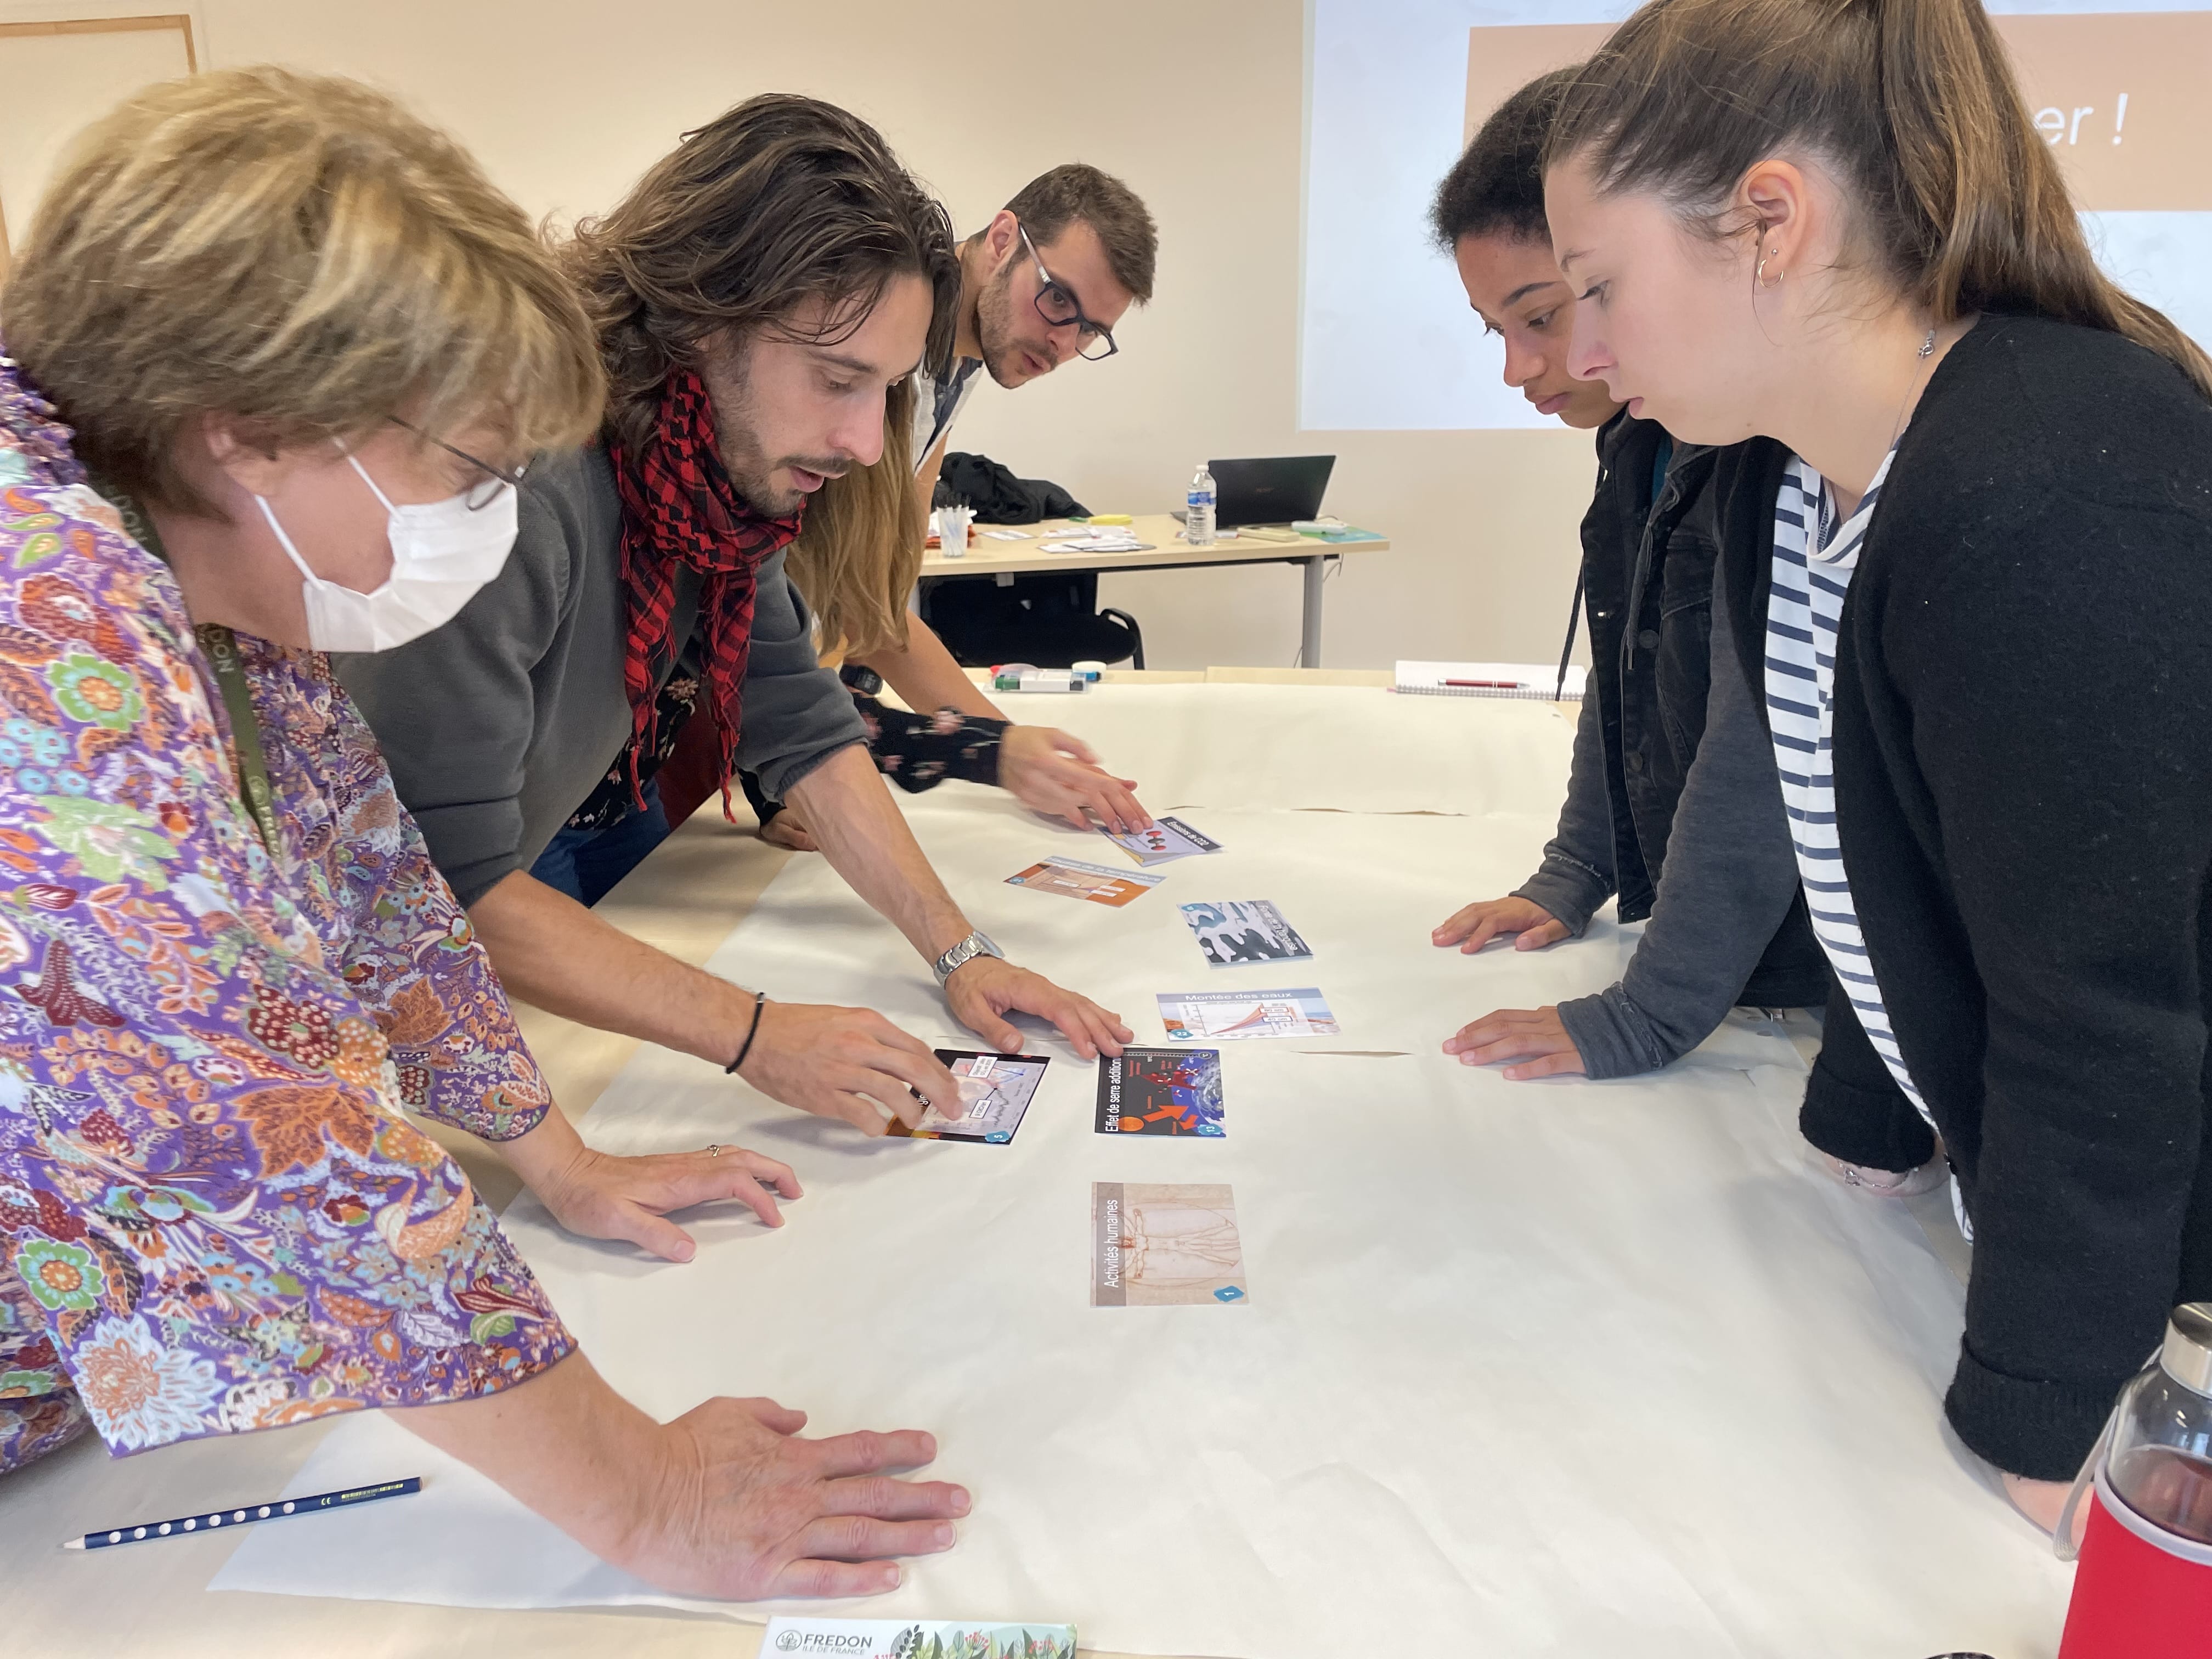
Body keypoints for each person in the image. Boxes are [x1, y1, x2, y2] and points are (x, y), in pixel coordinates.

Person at [0, 68, 966, 1598]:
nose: (483, 520)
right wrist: (643, 1492)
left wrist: (560, 1164)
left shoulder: (207, 568)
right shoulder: (42, 620)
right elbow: (255, 1124)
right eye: (461, 472)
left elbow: (389, 903)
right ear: (252, 429)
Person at [1543, 0, 2212, 1530]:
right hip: (2045, 1220)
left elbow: (2102, 1020)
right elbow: (1893, 860)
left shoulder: (2049, 487)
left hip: (2165, 1296)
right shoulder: (1781, 486)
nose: (1583, 351)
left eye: (1599, 286)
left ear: (1769, 222)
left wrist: (2041, 1425)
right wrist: (1870, 1120)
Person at [340, 95, 1132, 1144]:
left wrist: (960, 952)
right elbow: (445, 881)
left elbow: (801, 719)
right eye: (837, 381)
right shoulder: (512, 481)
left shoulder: (716, 482)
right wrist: (754, 1033)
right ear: (703, 319)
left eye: (886, 391)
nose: (864, 444)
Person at [1430, 70, 1884, 1142]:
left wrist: (1652, 1008)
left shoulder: (1781, 451)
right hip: (1714, 952)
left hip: (1800, 982)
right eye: (1497, 330)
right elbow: (1625, 663)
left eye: (1547, 313)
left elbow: (1756, 743)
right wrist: (1578, 867)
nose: (1526, 367)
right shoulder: (1637, 436)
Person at [750, 163, 1161, 852]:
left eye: (1091, 330)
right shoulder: (894, 353)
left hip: (771, 712)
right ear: (1003, 239)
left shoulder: (956, 368)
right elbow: (793, 612)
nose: (1064, 342)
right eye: (1058, 300)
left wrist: (1013, 752)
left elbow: (873, 610)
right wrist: (997, 751)